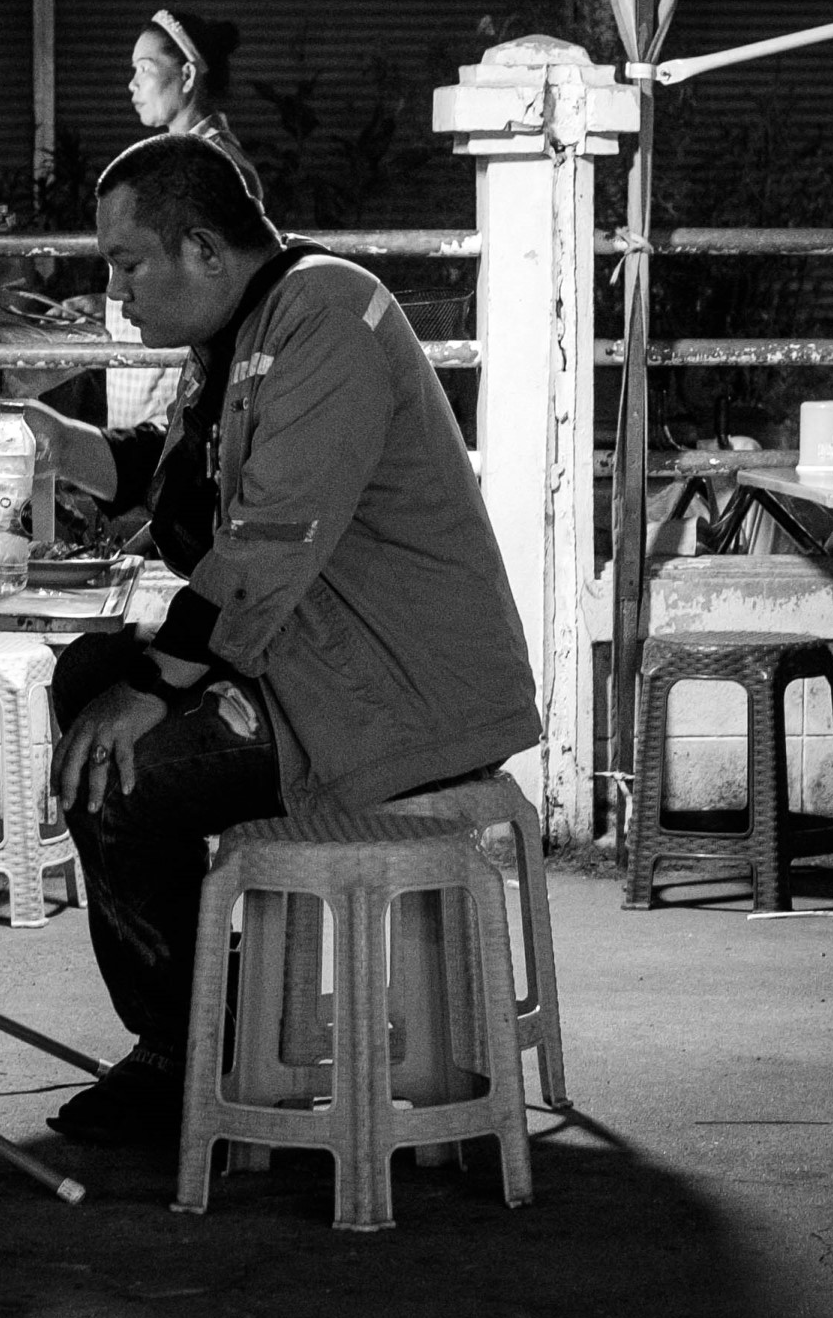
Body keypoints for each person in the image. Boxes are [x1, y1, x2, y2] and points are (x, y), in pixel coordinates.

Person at [31, 133, 540, 1147]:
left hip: (395, 694)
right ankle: (201, 1031)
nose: (114, 292)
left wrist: (155, 686)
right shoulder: (245, 330)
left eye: (126, 264)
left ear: (202, 250)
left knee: (123, 770)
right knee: (88, 678)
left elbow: (265, 541)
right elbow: (180, 480)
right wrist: (53, 440)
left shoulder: (325, 317)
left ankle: (186, 1053)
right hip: (313, 665)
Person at [107, 10, 262, 433]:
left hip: (176, 378)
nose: (132, 84)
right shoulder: (174, 158)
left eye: (144, 69)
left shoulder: (220, 166)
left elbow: (219, 284)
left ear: (188, 75)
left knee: (160, 461)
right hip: (149, 373)